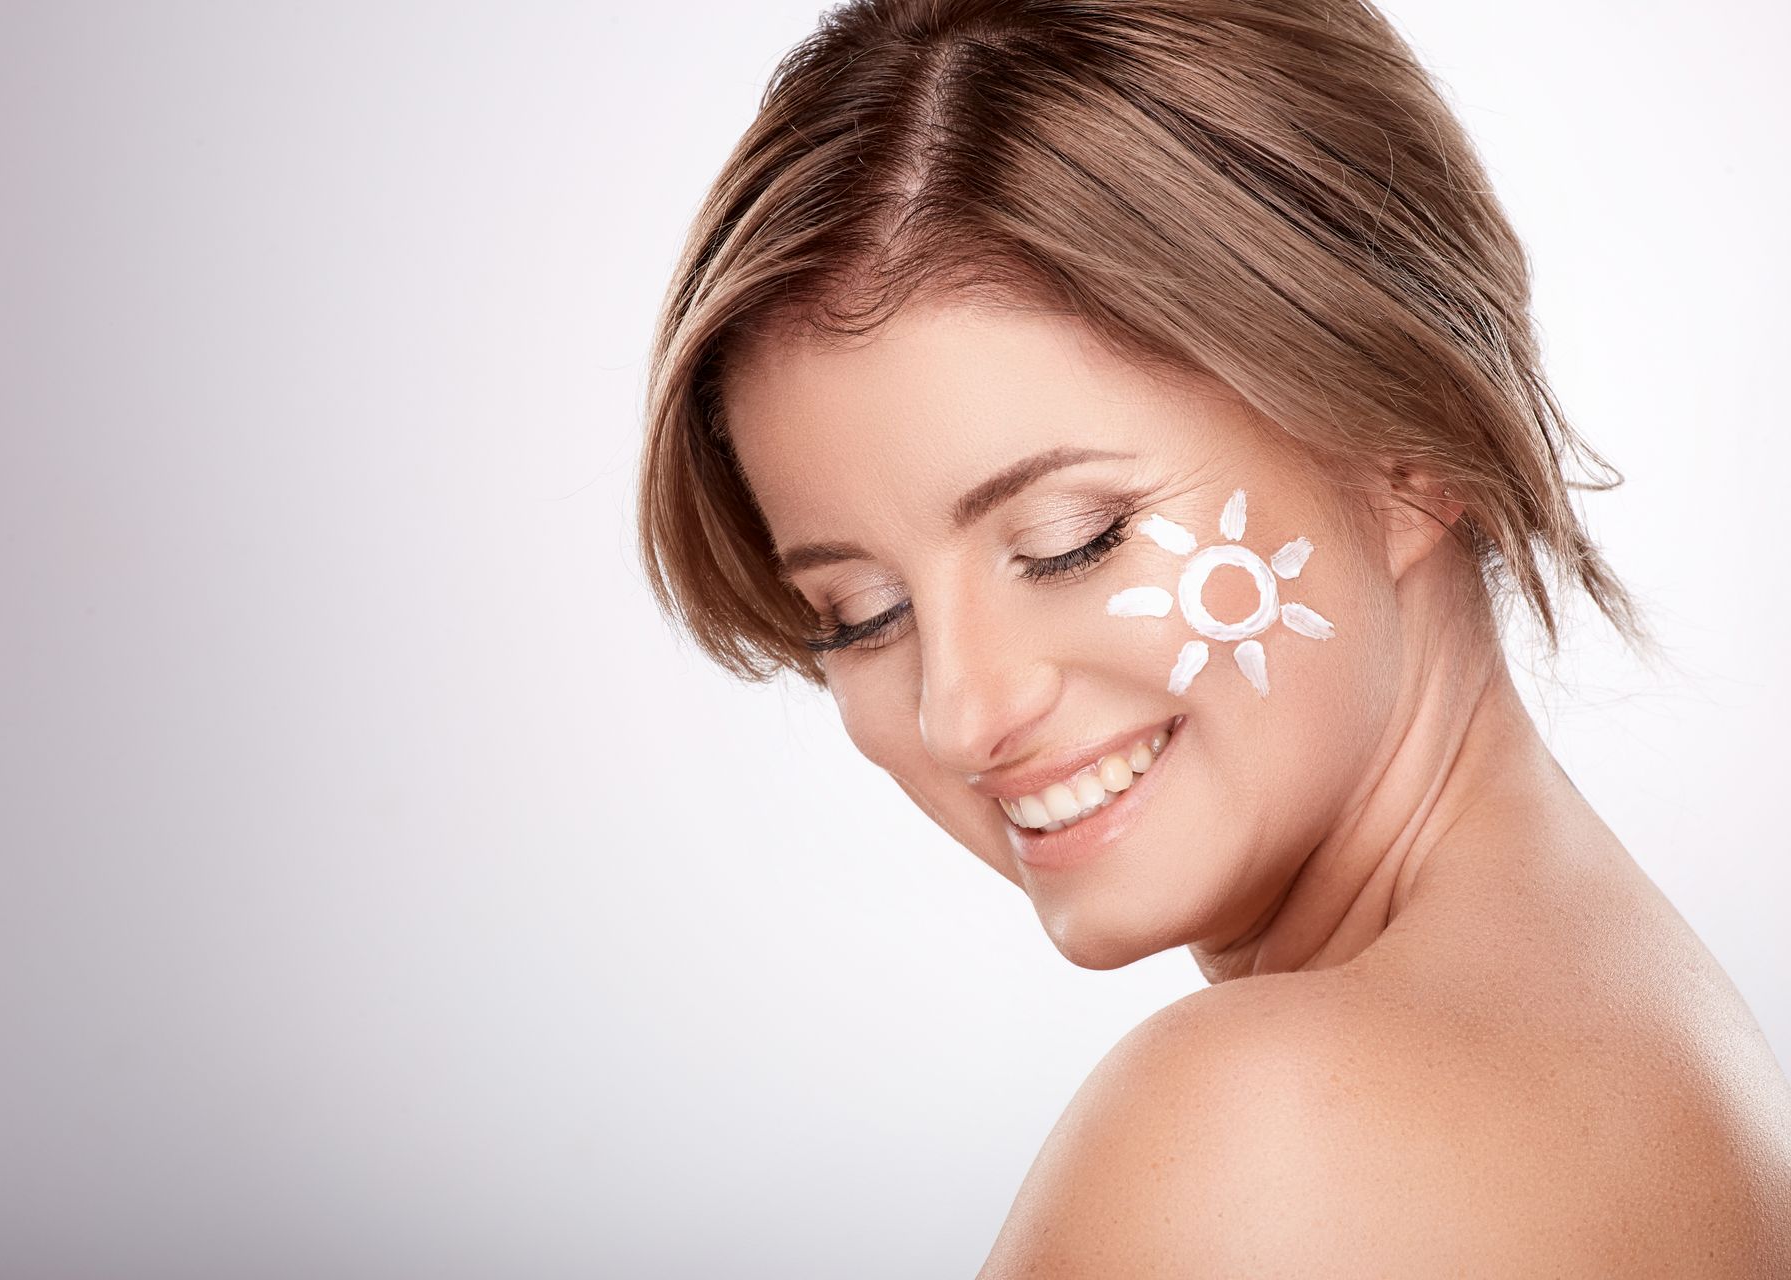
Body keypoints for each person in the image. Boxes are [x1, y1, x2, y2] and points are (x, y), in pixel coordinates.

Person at [633, 0, 1791, 1272]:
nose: (959, 711)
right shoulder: (1661, 1030)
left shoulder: (1265, 1123)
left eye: (1074, 537)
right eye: (863, 615)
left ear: (1403, 444)